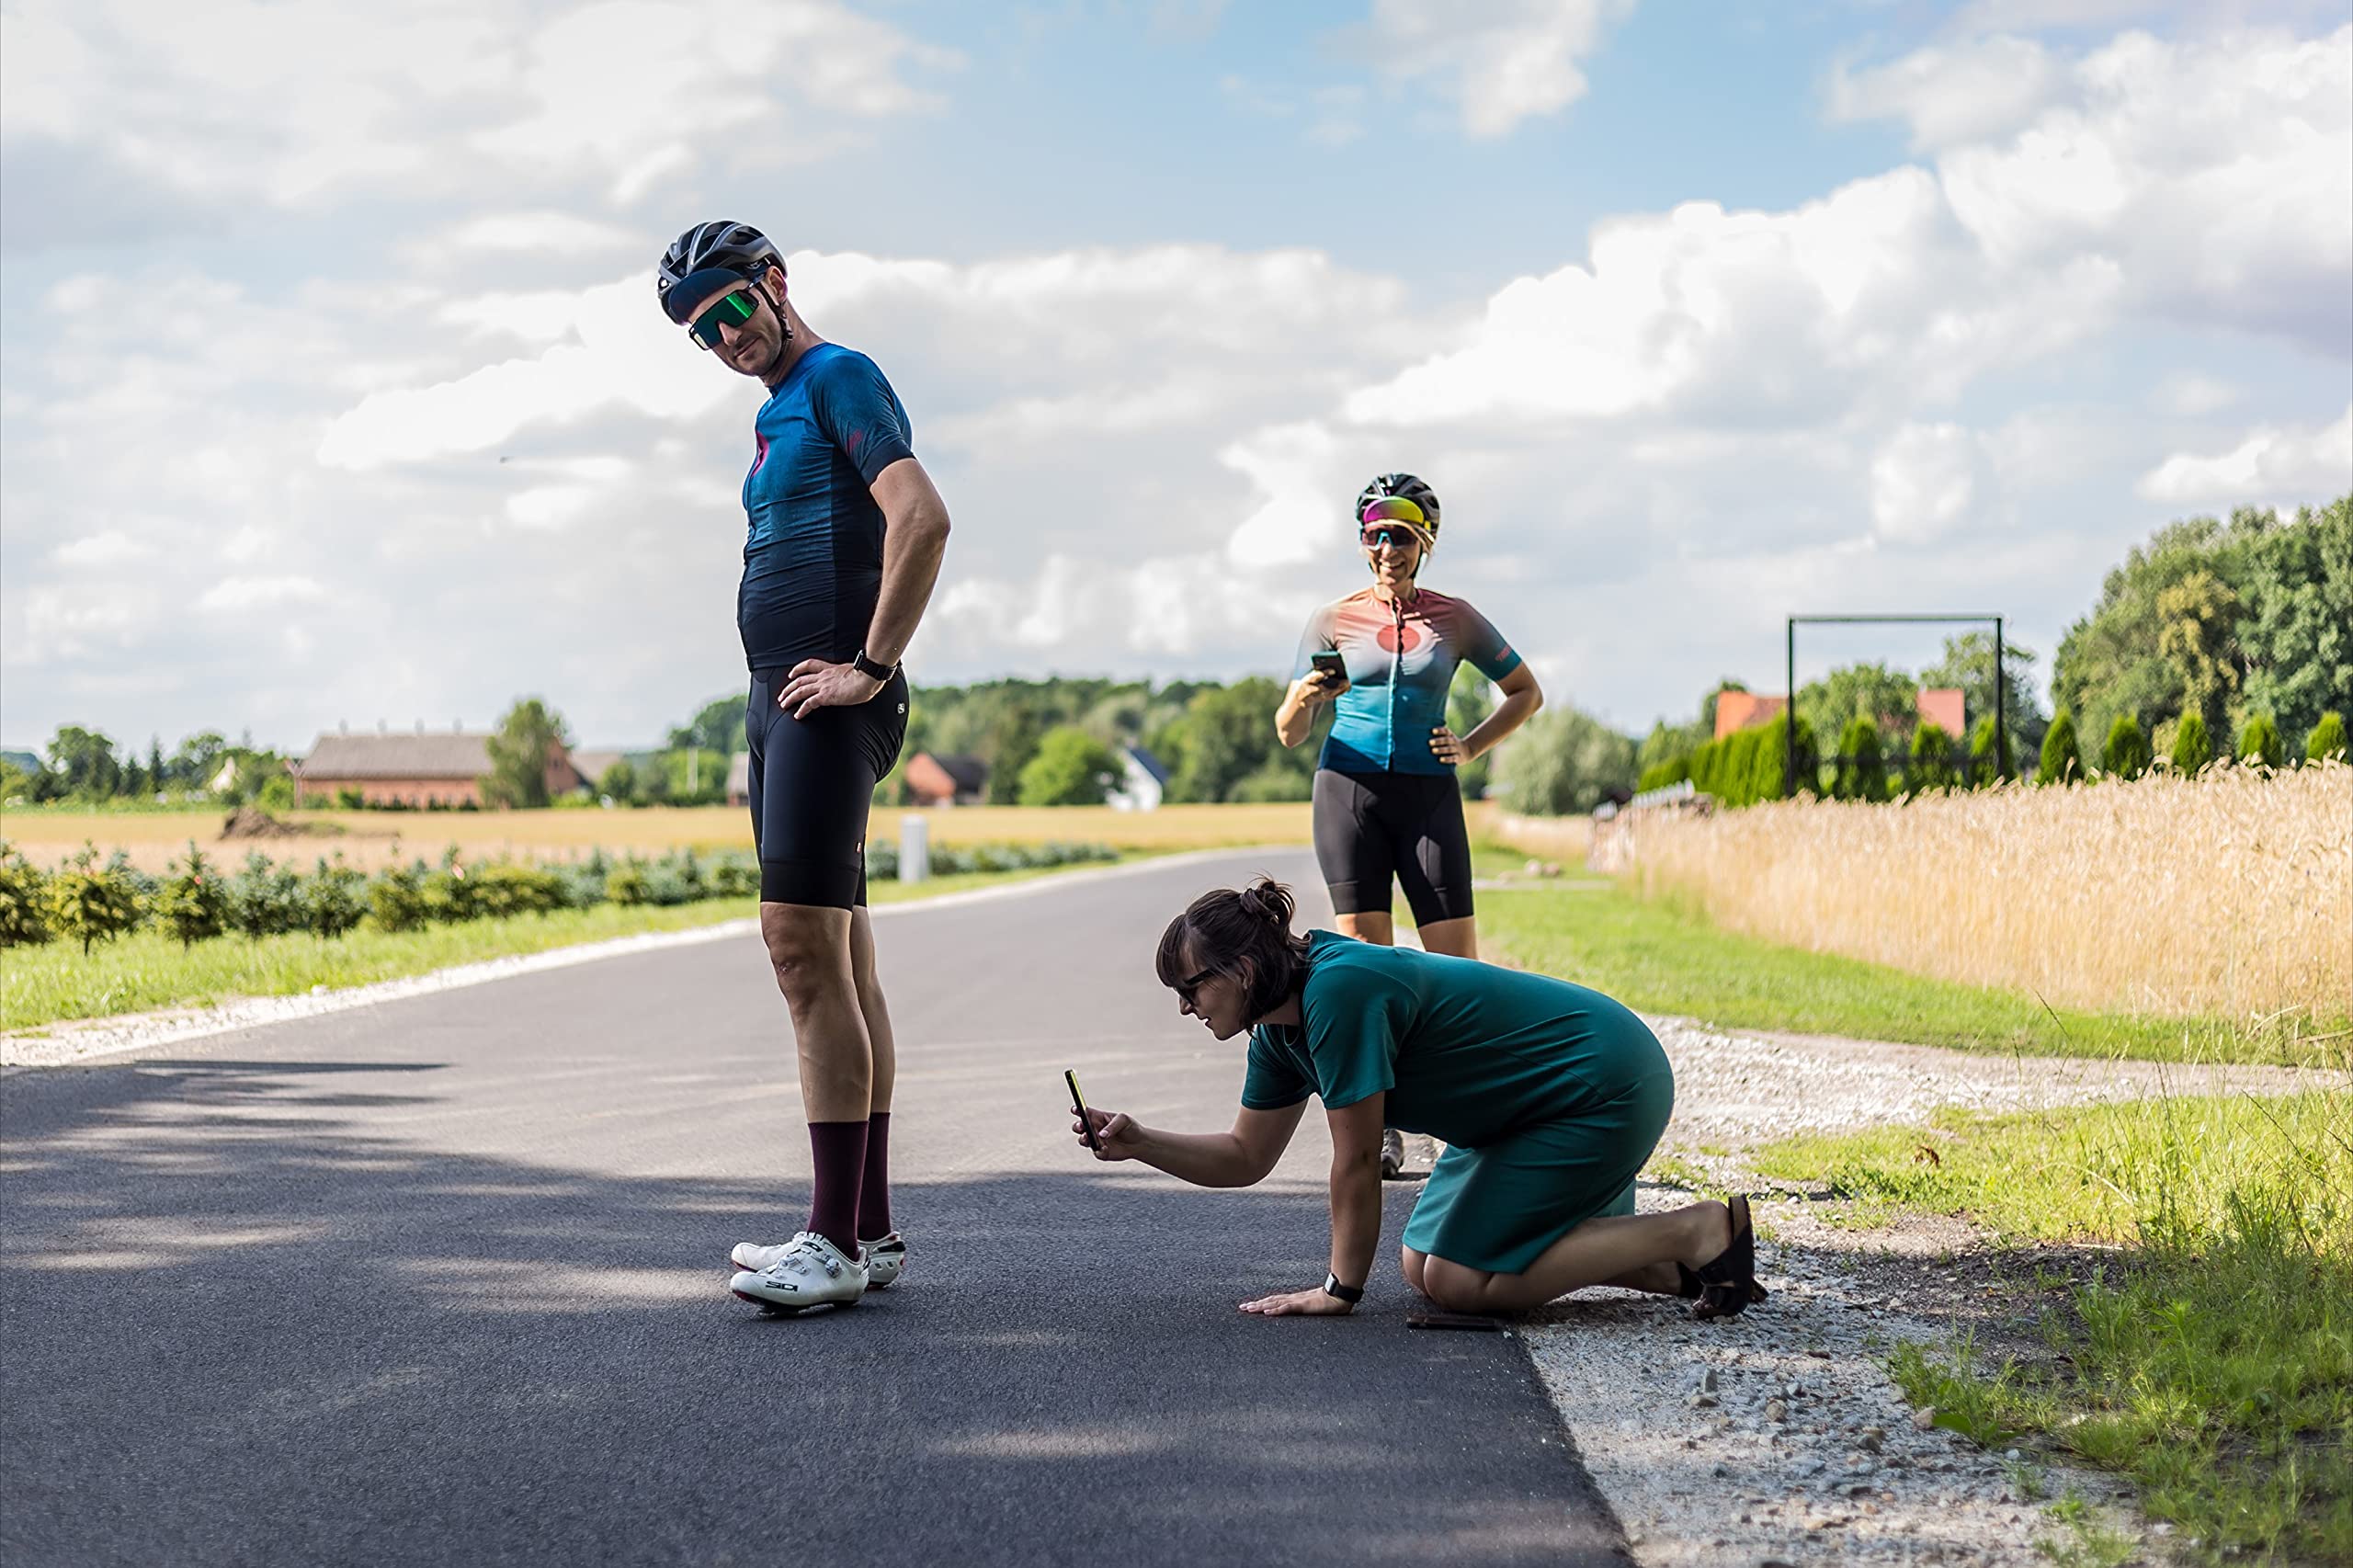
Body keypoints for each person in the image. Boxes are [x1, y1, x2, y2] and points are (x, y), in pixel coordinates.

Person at [656, 221, 953, 1313]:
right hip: (778, 707)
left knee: (799, 952)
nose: (723, 336)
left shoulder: (837, 375)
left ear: (775, 282)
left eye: (730, 309)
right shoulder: (772, 412)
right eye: (700, 332)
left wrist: (870, 667)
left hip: (828, 701)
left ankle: (827, 1240)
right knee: (843, 956)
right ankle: (864, 1229)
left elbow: (920, 517)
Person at [1071, 880, 1764, 1321]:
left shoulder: (1337, 993)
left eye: (1190, 989)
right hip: (1517, 1120)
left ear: (1244, 970)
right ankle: (1688, 1270)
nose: (1186, 1007)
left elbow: (1358, 1159)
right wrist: (1140, 1144)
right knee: (1420, 1266)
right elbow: (1245, 1157)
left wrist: (1339, 1291)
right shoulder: (1278, 1036)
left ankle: (1695, 1229)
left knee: (1462, 1282)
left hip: (1597, 1084)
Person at [1274, 473, 1541, 1176]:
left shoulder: (1455, 617)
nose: (1387, 546)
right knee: (1365, 969)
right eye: (1374, 534)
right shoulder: (1332, 618)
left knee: (1457, 969)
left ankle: (1468, 1120)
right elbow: (1289, 733)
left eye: (1400, 533)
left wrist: (1474, 745)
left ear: (1425, 541)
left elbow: (1525, 691)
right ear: (1363, 544)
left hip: (1428, 796)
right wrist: (1305, 693)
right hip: (1348, 791)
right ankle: (1384, 1125)